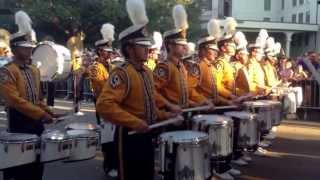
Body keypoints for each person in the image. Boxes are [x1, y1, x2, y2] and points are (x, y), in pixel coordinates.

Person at [96, 0, 177, 179]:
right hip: (129, 136)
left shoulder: (147, 71)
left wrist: (166, 115)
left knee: (147, 174)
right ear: (129, 49)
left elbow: (148, 103)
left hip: (146, 133)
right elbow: (104, 105)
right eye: (142, 45)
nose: (148, 48)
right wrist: (134, 122)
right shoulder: (122, 73)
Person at [0, 10, 55, 180]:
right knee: (19, 165)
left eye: (30, 46)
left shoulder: (34, 70)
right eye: (25, 47)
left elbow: (38, 98)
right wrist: (41, 114)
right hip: (19, 123)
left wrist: (49, 111)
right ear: (15, 49)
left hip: (36, 123)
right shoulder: (7, 71)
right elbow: (14, 101)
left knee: (38, 162)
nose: (30, 49)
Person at [89, 23, 117, 177]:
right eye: (107, 52)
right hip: (102, 104)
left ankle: (114, 162)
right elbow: (100, 89)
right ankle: (108, 165)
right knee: (107, 135)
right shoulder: (95, 67)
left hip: (114, 104)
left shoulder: (111, 66)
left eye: (110, 52)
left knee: (114, 135)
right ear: (100, 51)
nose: (110, 54)